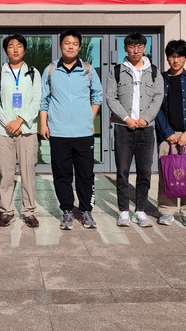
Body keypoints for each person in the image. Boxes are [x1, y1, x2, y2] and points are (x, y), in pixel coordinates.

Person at [40, 29, 103, 230]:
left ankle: (86, 210)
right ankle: (67, 210)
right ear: (60, 46)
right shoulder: (51, 70)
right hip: (59, 132)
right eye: (67, 43)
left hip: (83, 133)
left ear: (79, 47)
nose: (70, 46)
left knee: (86, 174)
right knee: (62, 174)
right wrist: (43, 124)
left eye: (74, 44)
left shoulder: (87, 70)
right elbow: (44, 100)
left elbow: (97, 96)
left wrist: (89, 117)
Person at [106, 32, 164, 228]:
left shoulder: (153, 71)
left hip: (146, 130)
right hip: (124, 129)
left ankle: (140, 210)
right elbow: (111, 97)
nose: (136, 50)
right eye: (132, 46)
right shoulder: (116, 71)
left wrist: (146, 118)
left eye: (140, 46)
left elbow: (158, 97)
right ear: (125, 48)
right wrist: (127, 118)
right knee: (122, 172)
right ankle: (123, 211)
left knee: (144, 172)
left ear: (144, 48)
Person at [0, 34, 42, 228]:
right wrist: (8, 123)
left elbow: (37, 100)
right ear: (6, 51)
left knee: (28, 173)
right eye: (11, 46)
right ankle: (6, 211)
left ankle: (29, 211)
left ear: (24, 50)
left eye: (19, 46)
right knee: (7, 173)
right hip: (4, 132)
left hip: (27, 131)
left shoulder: (33, 73)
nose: (15, 49)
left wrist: (20, 121)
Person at [155, 39, 186, 227]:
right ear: (167, 58)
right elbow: (156, 108)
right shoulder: (159, 80)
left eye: (180, 56)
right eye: (172, 56)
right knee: (166, 174)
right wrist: (167, 132)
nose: (176, 60)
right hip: (166, 135)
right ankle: (166, 210)